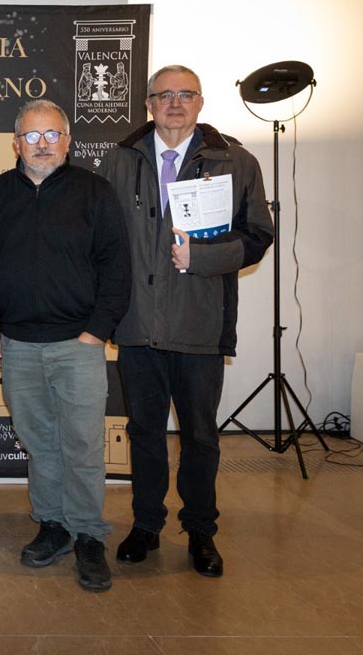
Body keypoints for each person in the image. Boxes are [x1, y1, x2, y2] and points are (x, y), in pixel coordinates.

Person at [99, 64, 273, 577]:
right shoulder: (118, 160)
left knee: (200, 435)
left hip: (200, 323)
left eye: (185, 94)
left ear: (200, 102)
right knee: (144, 432)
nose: (174, 103)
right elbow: (102, 239)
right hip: (137, 325)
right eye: (164, 95)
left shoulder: (235, 161)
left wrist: (204, 258)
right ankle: (146, 524)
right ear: (148, 104)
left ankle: (200, 530)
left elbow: (258, 236)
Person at [0, 99, 131, 592]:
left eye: (51, 135)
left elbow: (116, 266)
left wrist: (96, 332)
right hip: (18, 344)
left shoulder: (94, 191)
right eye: (31, 136)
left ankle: (88, 534)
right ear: (15, 143)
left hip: (78, 343)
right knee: (39, 442)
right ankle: (53, 525)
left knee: (83, 444)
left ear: (67, 141)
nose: (42, 145)